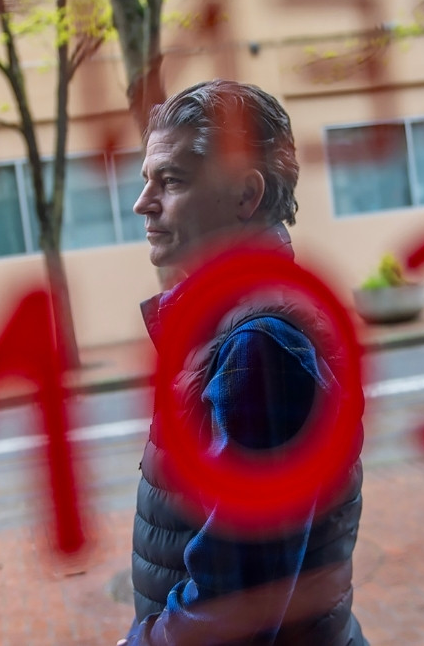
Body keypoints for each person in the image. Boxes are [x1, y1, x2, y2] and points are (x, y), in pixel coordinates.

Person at [119, 80, 368, 646]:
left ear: (245, 195)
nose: (143, 203)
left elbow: (238, 601)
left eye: (172, 180)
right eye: (146, 180)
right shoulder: (234, 322)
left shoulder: (262, 342)